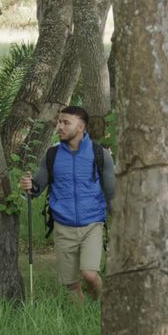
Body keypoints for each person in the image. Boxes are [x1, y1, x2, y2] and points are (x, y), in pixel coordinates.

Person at [19, 106, 115, 302]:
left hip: (92, 224)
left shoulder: (100, 155)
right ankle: (81, 316)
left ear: (81, 127)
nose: (60, 127)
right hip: (63, 226)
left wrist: (119, 224)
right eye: (59, 122)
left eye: (66, 123)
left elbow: (112, 192)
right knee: (71, 284)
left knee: (89, 274)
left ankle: (104, 306)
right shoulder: (52, 155)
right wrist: (29, 185)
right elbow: (37, 187)